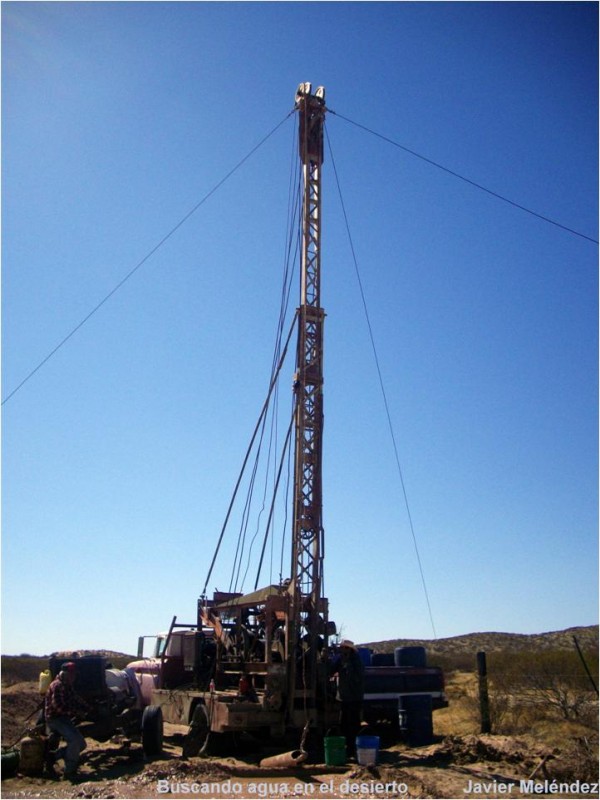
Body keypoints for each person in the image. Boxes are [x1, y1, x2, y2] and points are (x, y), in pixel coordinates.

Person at [44, 662, 92, 779]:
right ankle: (70, 771)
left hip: (64, 718)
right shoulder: (57, 686)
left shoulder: (67, 685)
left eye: (74, 675)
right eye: (72, 675)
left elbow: (75, 698)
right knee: (75, 741)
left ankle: (54, 756)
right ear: (65, 674)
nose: (74, 677)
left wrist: (88, 707)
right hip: (55, 719)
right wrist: (76, 712)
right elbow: (58, 707)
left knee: (82, 744)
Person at [332, 639, 364, 757]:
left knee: (353, 724)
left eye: (344, 648)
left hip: (354, 697)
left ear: (349, 649)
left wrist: (347, 667)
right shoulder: (340, 659)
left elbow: (357, 678)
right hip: (344, 698)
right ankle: (347, 748)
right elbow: (331, 669)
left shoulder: (356, 661)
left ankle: (353, 749)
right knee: (344, 724)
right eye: (341, 648)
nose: (342, 650)